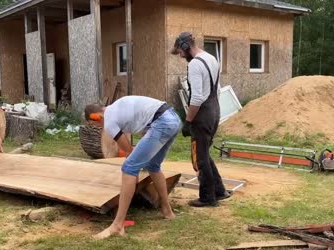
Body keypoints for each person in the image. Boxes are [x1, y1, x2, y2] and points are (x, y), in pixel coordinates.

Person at [85, 95, 181, 239]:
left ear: (96, 117)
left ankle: (117, 225)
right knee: (153, 165)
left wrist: (134, 159)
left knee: (129, 168)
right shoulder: (117, 107)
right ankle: (167, 211)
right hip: (173, 119)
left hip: (162, 122)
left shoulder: (109, 121)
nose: (98, 127)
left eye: (94, 124)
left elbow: (128, 151)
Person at [171, 32, 231, 207]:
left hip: (202, 114)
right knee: (204, 153)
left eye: (181, 53)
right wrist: (212, 111)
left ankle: (207, 198)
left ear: (185, 46)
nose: (181, 56)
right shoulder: (211, 58)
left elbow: (196, 98)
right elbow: (217, 89)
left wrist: (188, 122)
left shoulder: (195, 65)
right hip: (213, 110)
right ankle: (219, 190)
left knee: (200, 157)